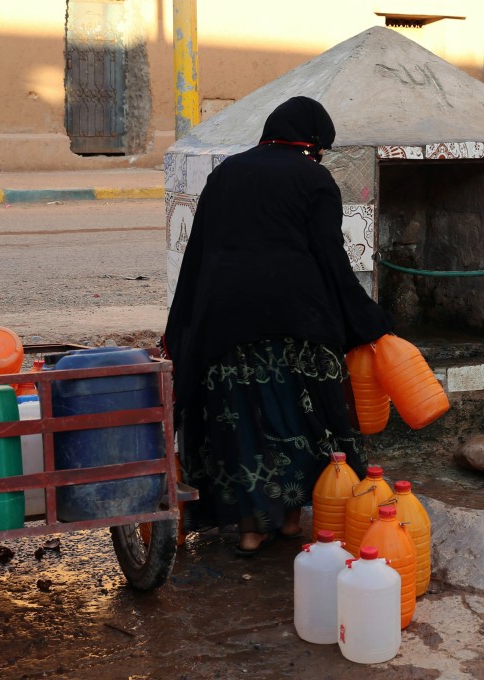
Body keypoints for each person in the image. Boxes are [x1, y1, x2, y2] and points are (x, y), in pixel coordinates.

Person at [163, 96, 393, 556]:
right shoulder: (314, 179)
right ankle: (290, 520)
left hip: (224, 326)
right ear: (313, 143)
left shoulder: (226, 173)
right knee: (302, 424)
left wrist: (179, 329)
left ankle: (249, 529)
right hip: (297, 325)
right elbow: (331, 259)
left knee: (240, 426)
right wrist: (368, 320)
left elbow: (197, 257)